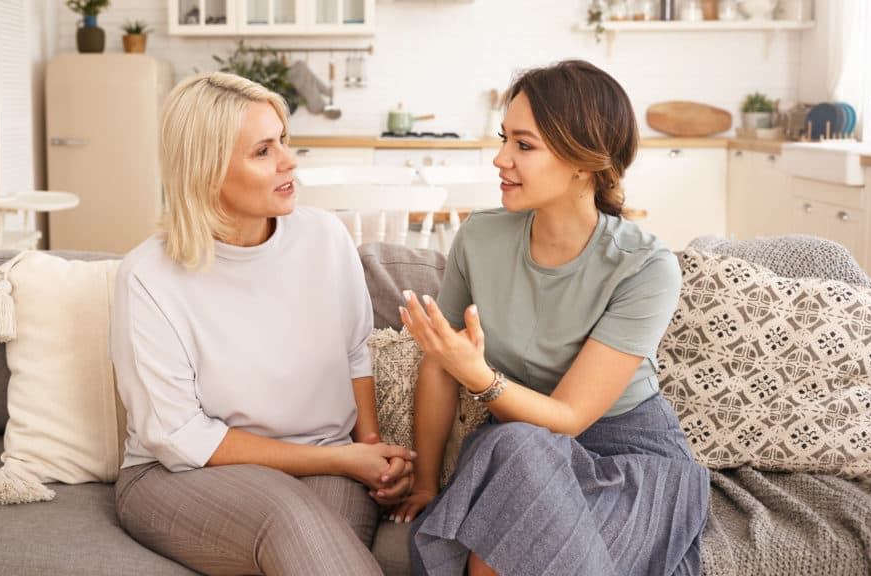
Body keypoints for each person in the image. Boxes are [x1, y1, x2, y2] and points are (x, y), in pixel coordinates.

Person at [393, 60, 709, 576]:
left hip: (626, 456)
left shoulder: (646, 266)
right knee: (518, 447)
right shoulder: (480, 237)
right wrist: (427, 481)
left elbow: (569, 418)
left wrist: (475, 373)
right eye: (503, 139)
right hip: (518, 450)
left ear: (583, 161)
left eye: (523, 145)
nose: (499, 159)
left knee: (519, 470)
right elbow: (438, 364)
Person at [109, 72, 414, 576]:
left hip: (329, 463)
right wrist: (341, 461)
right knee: (290, 518)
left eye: (285, 142)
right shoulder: (147, 277)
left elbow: (355, 352)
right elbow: (179, 436)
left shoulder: (324, 238)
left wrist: (371, 452)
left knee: (318, 545)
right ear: (206, 172)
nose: (290, 160)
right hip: (179, 476)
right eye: (263, 151)